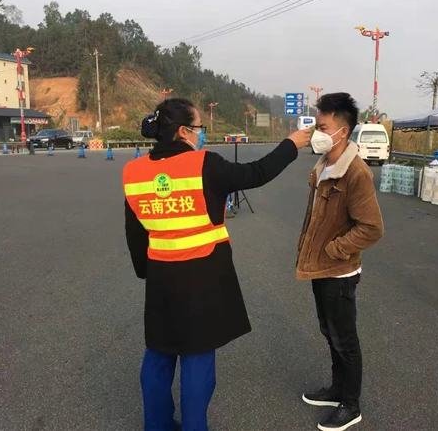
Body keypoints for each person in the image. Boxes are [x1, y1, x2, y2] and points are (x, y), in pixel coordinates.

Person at [122, 98, 311, 431]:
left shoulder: (134, 171)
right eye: (199, 127)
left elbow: (135, 232)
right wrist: (291, 144)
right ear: (183, 131)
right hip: (202, 277)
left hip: (161, 277)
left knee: (158, 353)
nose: (201, 133)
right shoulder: (204, 164)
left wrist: (145, 272)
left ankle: (157, 425)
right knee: (197, 358)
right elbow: (257, 172)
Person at [295, 93, 384, 431]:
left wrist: (335, 249)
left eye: (322, 127)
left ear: (342, 131)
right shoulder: (324, 166)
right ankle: (336, 389)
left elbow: (371, 228)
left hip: (339, 270)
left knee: (345, 339)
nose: (316, 133)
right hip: (321, 268)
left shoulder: (355, 172)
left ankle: (351, 404)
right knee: (329, 331)